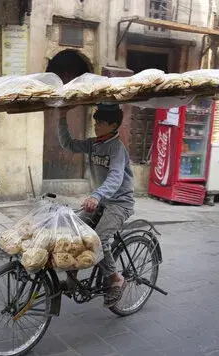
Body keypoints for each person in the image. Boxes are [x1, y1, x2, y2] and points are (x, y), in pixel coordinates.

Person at [55, 103, 135, 308]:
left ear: (114, 125)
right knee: (75, 232)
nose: (96, 125)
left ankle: (115, 278)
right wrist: (62, 117)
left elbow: (116, 177)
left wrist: (97, 195)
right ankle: (71, 279)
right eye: (95, 121)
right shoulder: (95, 143)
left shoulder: (117, 148)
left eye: (101, 122)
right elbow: (69, 144)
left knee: (98, 240)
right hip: (101, 200)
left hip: (119, 203)